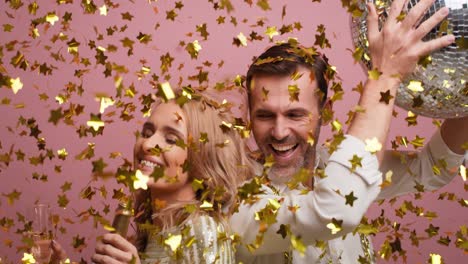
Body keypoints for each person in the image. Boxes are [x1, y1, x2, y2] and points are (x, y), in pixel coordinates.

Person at [230, 0, 467, 263]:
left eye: (295, 114)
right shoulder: (231, 196)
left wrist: (464, 90)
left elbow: (432, 167)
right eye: (264, 115)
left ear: (325, 110)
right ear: (248, 116)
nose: (279, 131)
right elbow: (334, 209)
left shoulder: (335, 164)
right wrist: (385, 76)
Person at [91, 95, 256, 263]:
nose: (147, 144)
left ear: (202, 159)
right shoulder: (153, 230)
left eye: (170, 139)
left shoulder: (201, 231)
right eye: (147, 133)